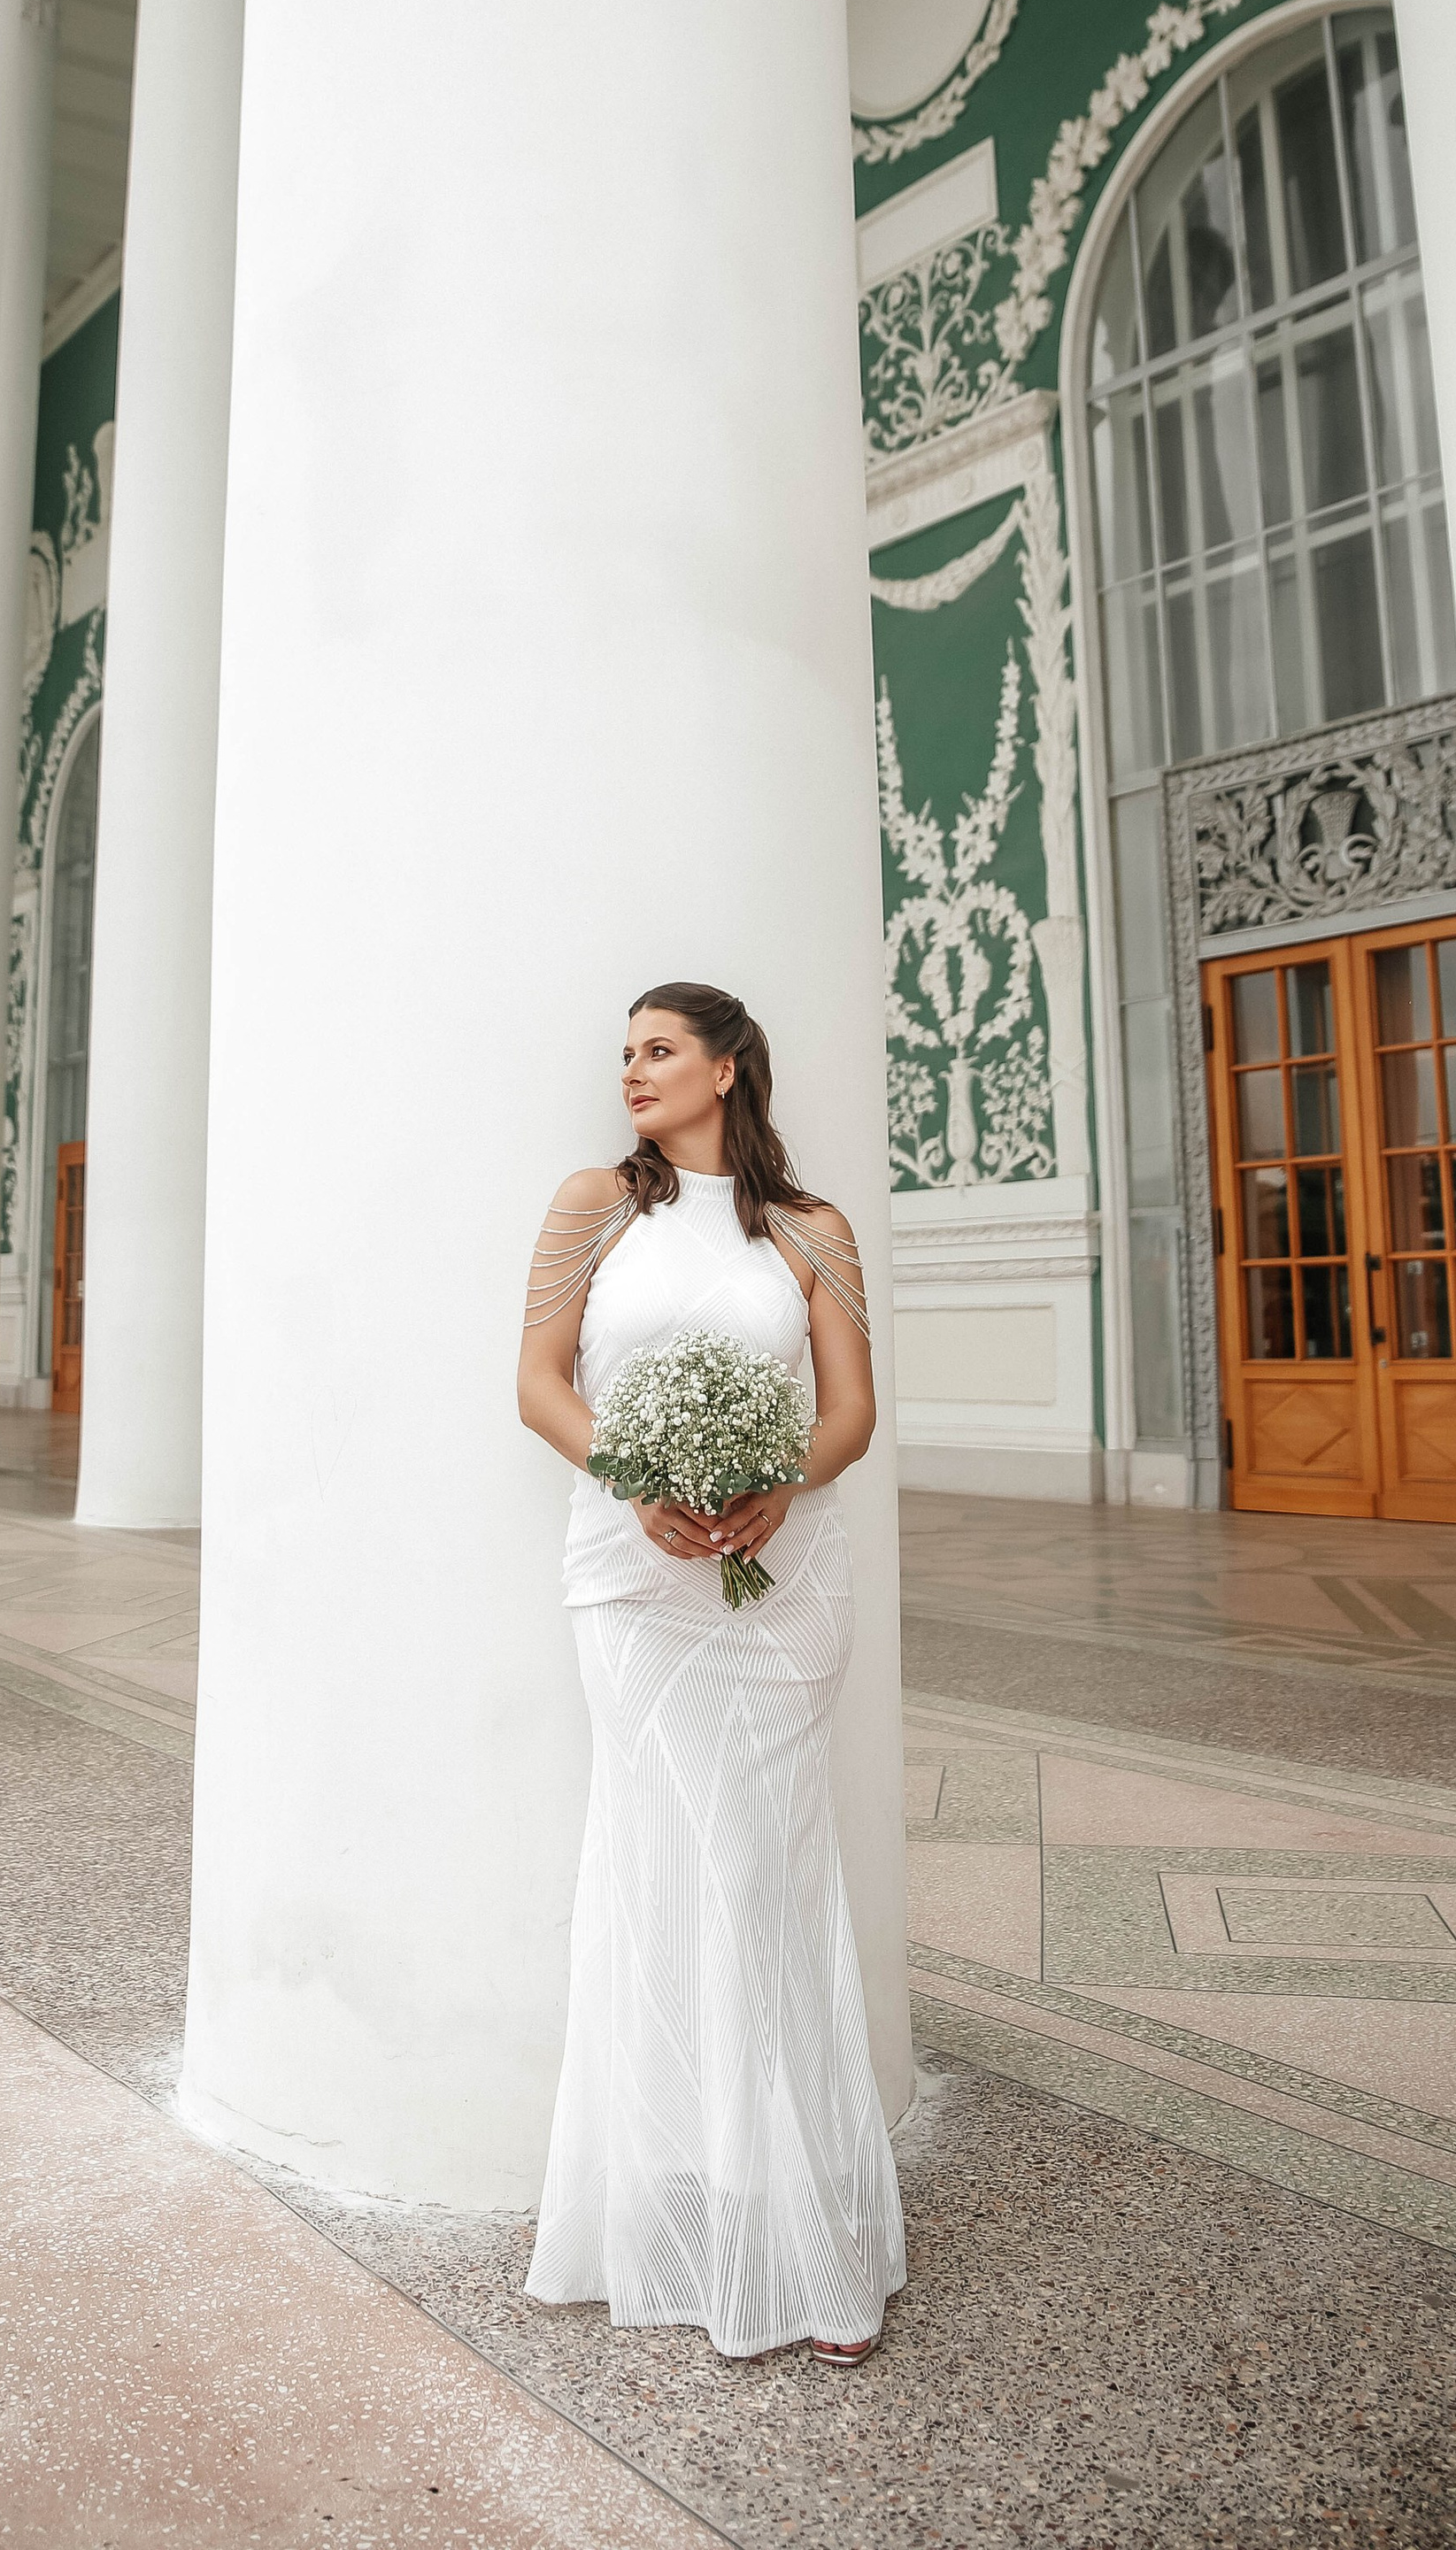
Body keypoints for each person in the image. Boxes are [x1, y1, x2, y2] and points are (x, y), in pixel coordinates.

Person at [516, 980, 905, 2365]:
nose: (633, 1071)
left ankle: (800, 2218)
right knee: (670, 1866)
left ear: (729, 1068)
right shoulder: (591, 1208)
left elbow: (851, 1411)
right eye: (625, 1052)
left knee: (765, 1873)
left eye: (661, 1050)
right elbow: (540, 1383)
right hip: (633, 1583)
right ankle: (687, 2199)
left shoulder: (812, 1230)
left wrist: (777, 1482)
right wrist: (637, 1476)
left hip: (783, 1584)